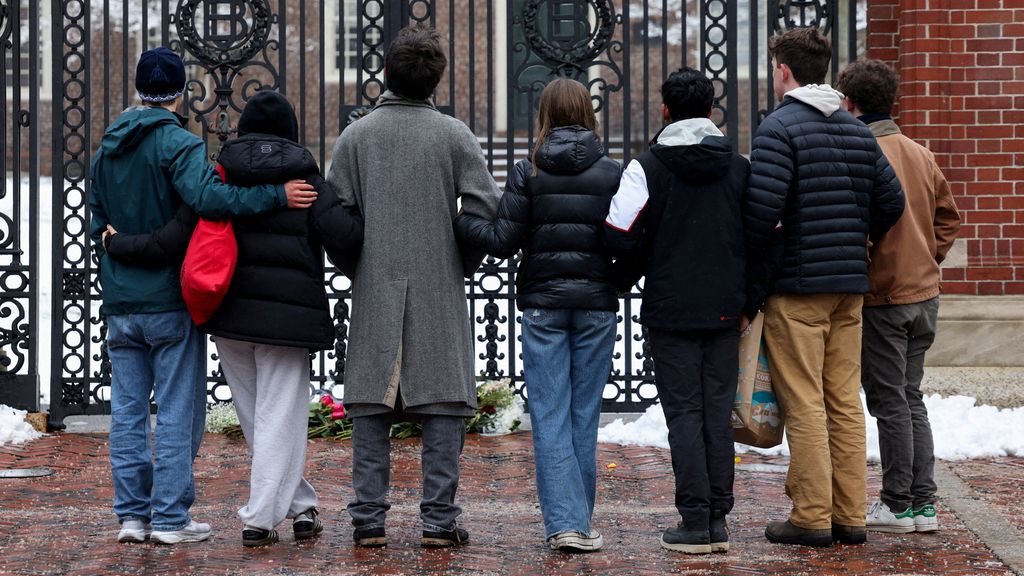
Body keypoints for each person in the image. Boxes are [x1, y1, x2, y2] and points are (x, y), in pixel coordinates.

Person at [104, 90, 364, 547]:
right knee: (279, 417)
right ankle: (259, 519)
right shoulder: (305, 179)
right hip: (288, 321)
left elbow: (174, 237)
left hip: (229, 316)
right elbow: (346, 239)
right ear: (291, 133)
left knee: (258, 419)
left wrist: (117, 243)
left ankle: (301, 505)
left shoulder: (220, 176)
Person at [325, 25, 500, 548]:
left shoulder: (357, 137)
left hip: (375, 284)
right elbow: (485, 207)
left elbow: (336, 219)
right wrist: (459, 260)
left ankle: (369, 520)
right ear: (436, 79)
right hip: (438, 286)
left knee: (371, 403)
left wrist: (357, 264)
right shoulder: (454, 135)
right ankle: (439, 521)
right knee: (443, 401)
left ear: (387, 73)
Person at [743, 28, 905, 548]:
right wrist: (857, 238)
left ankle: (812, 515)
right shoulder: (858, 131)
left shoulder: (778, 128)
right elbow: (892, 202)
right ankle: (850, 514)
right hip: (848, 288)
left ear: (783, 71)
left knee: (805, 400)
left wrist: (759, 273)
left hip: (797, 287)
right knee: (843, 399)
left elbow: (761, 214)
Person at [455, 78, 623, 553]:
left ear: (544, 114)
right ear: (588, 113)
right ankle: (578, 521)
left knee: (549, 414)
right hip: (595, 305)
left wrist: (461, 219)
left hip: (544, 306)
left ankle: (567, 523)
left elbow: (503, 241)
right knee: (584, 414)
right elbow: (629, 238)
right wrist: (614, 279)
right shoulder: (613, 172)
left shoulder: (527, 171)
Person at [604, 67, 751, 554]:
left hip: (670, 308)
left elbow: (618, 233)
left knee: (684, 414)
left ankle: (694, 520)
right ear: (711, 110)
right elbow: (762, 236)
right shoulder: (739, 167)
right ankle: (718, 517)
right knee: (716, 412)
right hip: (726, 309)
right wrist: (750, 299)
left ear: (665, 110)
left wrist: (649, 253)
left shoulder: (646, 167)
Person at [835, 59, 961, 534]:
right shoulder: (920, 153)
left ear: (850, 102)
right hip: (924, 293)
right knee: (911, 398)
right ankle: (923, 504)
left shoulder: (861, 152)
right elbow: (949, 218)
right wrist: (929, 256)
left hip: (885, 296)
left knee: (889, 402)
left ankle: (897, 503)